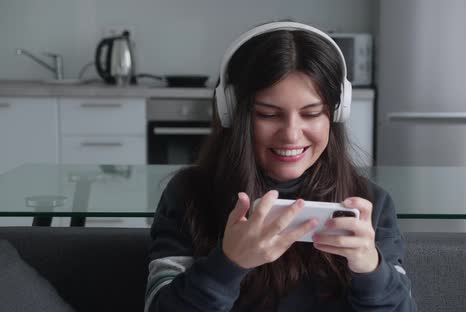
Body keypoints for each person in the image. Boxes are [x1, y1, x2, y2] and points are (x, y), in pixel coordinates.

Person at [145, 21, 416, 312]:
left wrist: (371, 269)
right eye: (268, 114)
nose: (291, 134)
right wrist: (229, 263)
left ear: (335, 115)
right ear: (233, 112)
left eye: (311, 114)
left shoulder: (368, 204)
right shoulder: (188, 195)